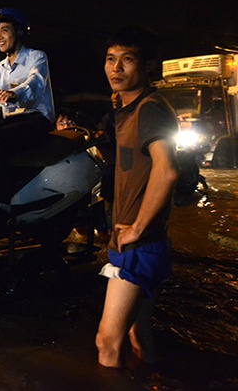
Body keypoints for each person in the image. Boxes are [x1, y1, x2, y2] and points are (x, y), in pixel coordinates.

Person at [95, 26, 179, 368]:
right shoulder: (129, 108)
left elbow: (167, 169)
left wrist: (137, 228)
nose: (116, 68)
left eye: (127, 60)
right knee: (137, 334)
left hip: (139, 244)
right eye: (111, 59)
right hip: (139, 241)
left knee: (107, 342)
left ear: (147, 66)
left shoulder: (149, 109)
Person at [0, 7, 56, 205]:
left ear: (20, 31)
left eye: (5, 30)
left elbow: (35, 82)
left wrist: (14, 93)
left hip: (37, 120)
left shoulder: (37, 57)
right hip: (11, 122)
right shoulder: (1, 67)